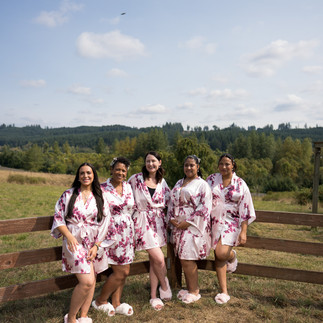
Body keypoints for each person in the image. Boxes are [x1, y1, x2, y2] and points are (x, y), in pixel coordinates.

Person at [51, 162, 114, 323]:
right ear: (78, 177)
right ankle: (71, 317)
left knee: (92, 278)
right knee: (86, 281)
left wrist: (97, 245)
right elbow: (58, 217)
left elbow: (106, 223)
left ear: (94, 176)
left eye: (89, 173)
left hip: (93, 242)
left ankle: (84, 316)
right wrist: (69, 236)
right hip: (74, 242)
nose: (85, 176)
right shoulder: (68, 194)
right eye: (82, 173)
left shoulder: (100, 197)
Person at [206, 153, 256, 304]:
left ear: (233, 165)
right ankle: (224, 292)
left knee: (221, 253)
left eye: (227, 164)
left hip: (231, 222)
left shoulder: (240, 184)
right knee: (217, 254)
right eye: (221, 163)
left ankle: (232, 255)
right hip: (214, 220)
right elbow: (203, 197)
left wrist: (244, 231)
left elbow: (246, 208)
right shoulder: (212, 179)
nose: (224, 167)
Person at [128, 151, 171, 311]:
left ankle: (153, 296)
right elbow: (123, 194)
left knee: (154, 261)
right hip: (142, 222)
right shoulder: (135, 179)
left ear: (159, 162)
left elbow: (169, 202)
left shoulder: (162, 182)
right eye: (148, 161)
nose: (150, 164)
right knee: (159, 259)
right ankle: (165, 284)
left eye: (153, 161)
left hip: (158, 223)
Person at [92, 157, 135, 316]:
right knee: (120, 271)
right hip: (111, 233)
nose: (120, 172)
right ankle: (100, 301)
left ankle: (116, 302)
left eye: (123, 170)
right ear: (111, 170)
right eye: (117, 169)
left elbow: (131, 209)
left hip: (127, 234)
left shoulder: (128, 187)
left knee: (126, 269)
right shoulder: (102, 188)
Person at [168, 155, 212, 304]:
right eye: (186, 165)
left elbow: (204, 207)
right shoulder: (179, 182)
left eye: (192, 165)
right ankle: (188, 288)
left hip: (193, 226)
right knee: (183, 257)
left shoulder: (202, 185)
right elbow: (171, 202)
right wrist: (171, 218)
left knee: (187, 258)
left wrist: (188, 222)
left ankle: (194, 291)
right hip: (178, 225)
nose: (188, 168)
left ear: (198, 167)